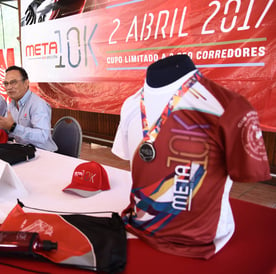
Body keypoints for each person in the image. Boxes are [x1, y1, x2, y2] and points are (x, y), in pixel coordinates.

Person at [112, 55, 271, 259]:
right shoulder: (131, 105)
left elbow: (247, 172)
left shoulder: (229, 106)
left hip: (200, 241)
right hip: (137, 229)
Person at [0, 65, 57, 152]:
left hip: (43, 153)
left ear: (26, 83)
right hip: (24, 150)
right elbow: (8, 129)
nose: (9, 87)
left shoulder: (37, 104)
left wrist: (13, 128)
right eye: (6, 84)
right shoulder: (12, 104)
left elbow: (42, 137)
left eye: (13, 82)